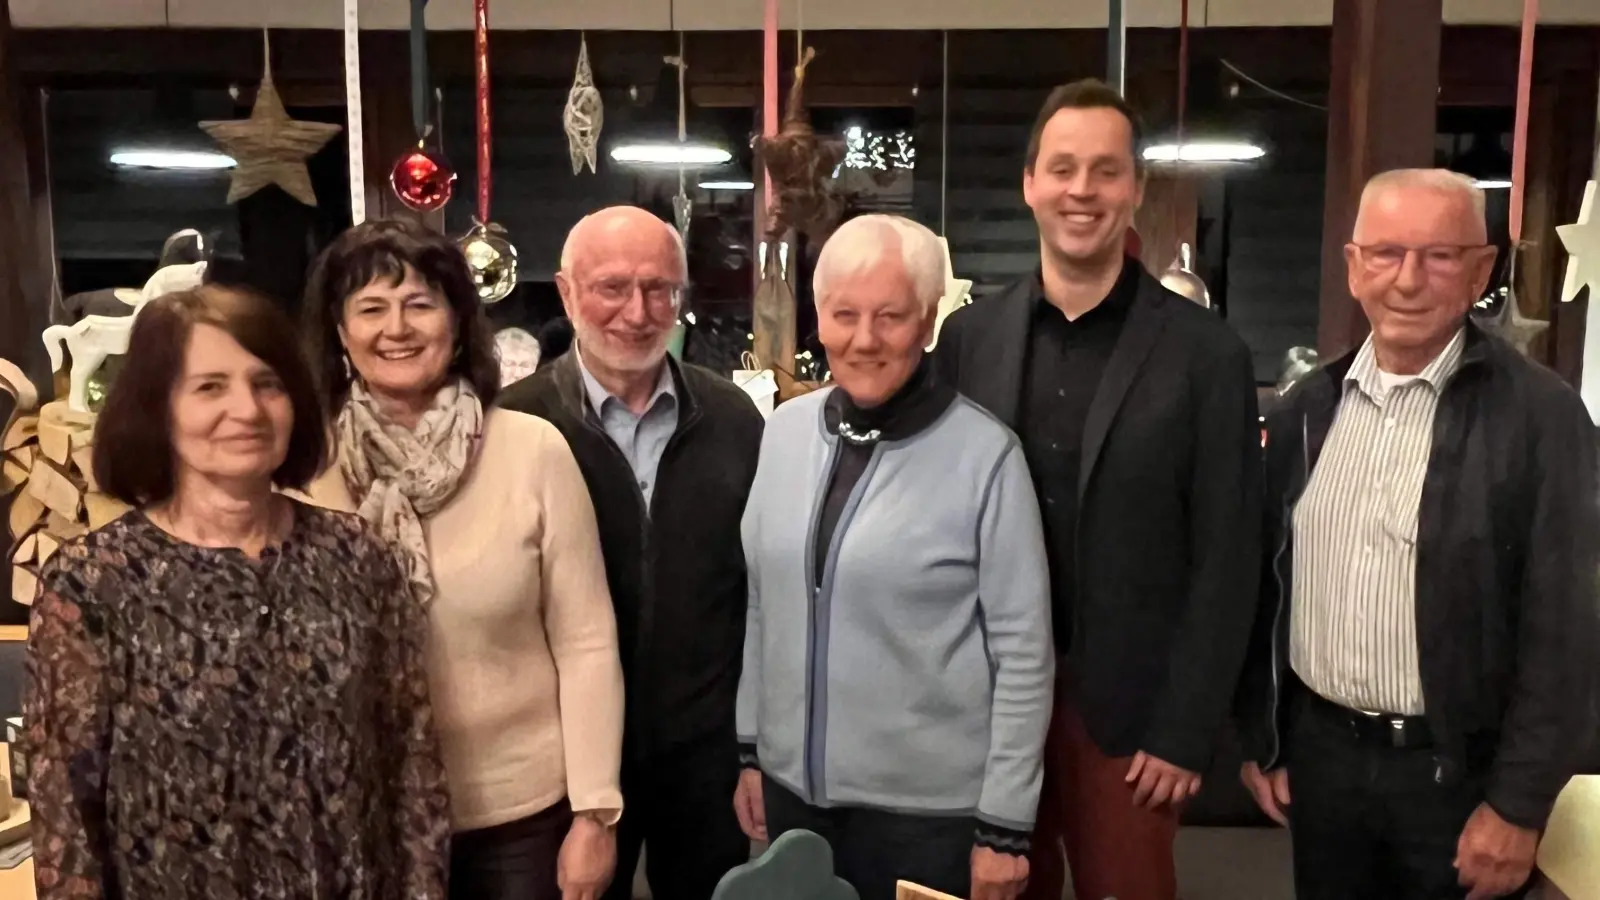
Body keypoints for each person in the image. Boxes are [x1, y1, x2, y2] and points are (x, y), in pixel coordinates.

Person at [934, 79, 1264, 900]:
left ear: (1136, 189)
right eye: (1064, 168)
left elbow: (1229, 556)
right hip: (987, 706)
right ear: (1029, 183)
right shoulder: (967, 339)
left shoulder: (1206, 354)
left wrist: (1188, 731)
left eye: (1107, 171)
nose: (1083, 191)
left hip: (1133, 721)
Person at [1237, 169, 1600, 900]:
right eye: (1385, 253)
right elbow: (1265, 592)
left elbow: (1568, 631)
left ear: (1481, 270)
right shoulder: (1307, 409)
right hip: (1324, 769)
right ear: (1352, 266)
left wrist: (1518, 807)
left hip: (1459, 784)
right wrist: (1266, 740)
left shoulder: (1543, 420)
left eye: (1438, 255)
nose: (1408, 279)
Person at [24, 285, 450, 899]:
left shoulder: (357, 555)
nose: (247, 409)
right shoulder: (93, 583)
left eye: (267, 383)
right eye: (210, 387)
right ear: (157, 408)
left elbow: (413, 763)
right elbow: (65, 814)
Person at [301, 219, 625, 900]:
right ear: (338, 331)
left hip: (520, 821)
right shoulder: (306, 467)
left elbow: (587, 642)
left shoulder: (531, 450)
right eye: (371, 308)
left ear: (457, 322)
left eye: (420, 303)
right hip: (362, 813)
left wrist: (595, 813)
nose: (398, 328)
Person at [736, 214, 1055, 900]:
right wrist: (753, 751)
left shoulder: (986, 456)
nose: (864, 338)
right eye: (843, 314)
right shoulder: (784, 434)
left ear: (929, 318)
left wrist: (1005, 825)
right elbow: (764, 601)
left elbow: (1024, 653)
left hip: (929, 821)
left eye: (890, 315)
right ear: (817, 317)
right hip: (796, 802)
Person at [500, 206, 763, 900]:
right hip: (564, 763)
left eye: (660, 289)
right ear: (565, 292)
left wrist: (752, 750)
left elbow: (759, 595)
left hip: (705, 758)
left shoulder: (735, 421)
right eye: (612, 287)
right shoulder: (516, 428)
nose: (638, 312)